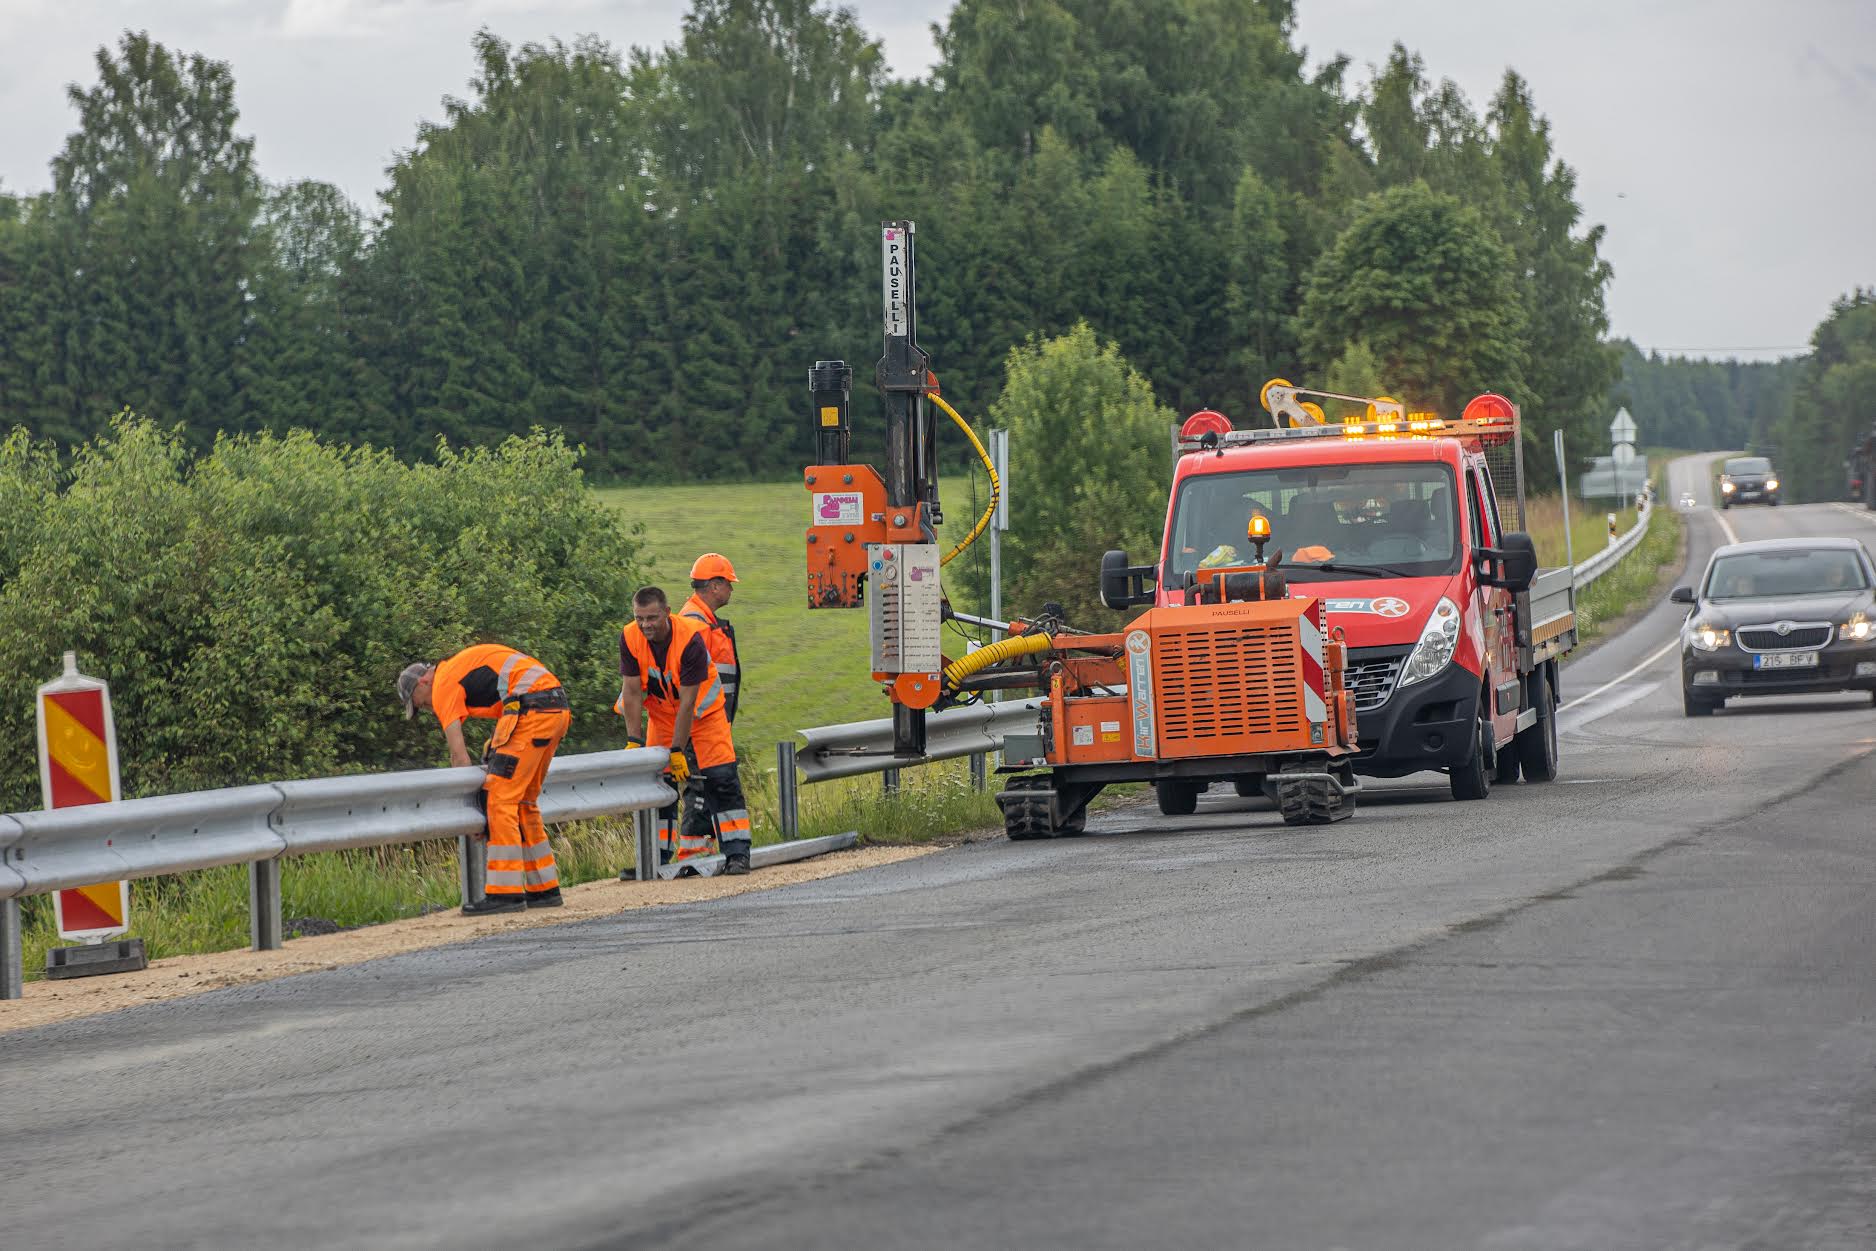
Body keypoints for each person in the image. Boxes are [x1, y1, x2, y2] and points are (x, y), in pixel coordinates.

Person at [398, 644, 571, 914]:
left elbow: (458, 757)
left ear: (424, 681)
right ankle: (544, 889)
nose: (427, 709)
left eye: (420, 702)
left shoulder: (442, 684)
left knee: (500, 799)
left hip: (534, 709)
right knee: (523, 801)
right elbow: (509, 710)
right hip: (555, 707)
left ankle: (506, 894)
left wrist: (467, 805)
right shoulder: (459, 668)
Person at [617, 586, 753, 874]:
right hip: (662, 716)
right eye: (640, 618)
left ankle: (737, 854)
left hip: (706, 714)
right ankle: (655, 860)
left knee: (721, 779)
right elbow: (630, 692)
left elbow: (689, 702)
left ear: (667, 613)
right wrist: (633, 741)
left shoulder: (689, 637)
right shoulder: (629, 636)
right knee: (658, 784)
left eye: (652, 618)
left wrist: (678, 750)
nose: (645, 625)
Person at [680, 553, 743, 723]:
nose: (731, 589)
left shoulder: (701, 620)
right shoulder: (695, 623)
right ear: (715, 586)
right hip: (701, 727)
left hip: (709, 721)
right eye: (728, 584)